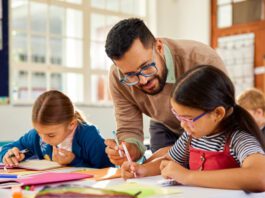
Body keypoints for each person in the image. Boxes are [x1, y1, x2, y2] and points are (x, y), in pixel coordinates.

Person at [121, 65, 265, 191]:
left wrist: (188, 176)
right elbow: (169, 162)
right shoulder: (191, 137)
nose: (183, 125)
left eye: (189, 119)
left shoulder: (238, 139)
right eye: (178, 116)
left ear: (217, 113)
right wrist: (142, 170)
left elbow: (260, 177)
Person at [104, 18, 226, 165]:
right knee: (162, 177)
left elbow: (218, 122)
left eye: (146, 66)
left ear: (159, 47)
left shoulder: (202, 60)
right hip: (164, 124)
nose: (143, 80)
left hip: (207, 129)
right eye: (131, 75)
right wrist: (129, 150)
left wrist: (167, 154)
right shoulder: (118, 77)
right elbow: (129, 128)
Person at [0, 90, 113, 168]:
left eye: (51, 135)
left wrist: (74, 161)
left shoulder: (89, 136)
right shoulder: (36, 136)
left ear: (71, 124)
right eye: (40, 133)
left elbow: (108, 170)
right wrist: (7, 155)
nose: (43, 139)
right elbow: (6, 149)